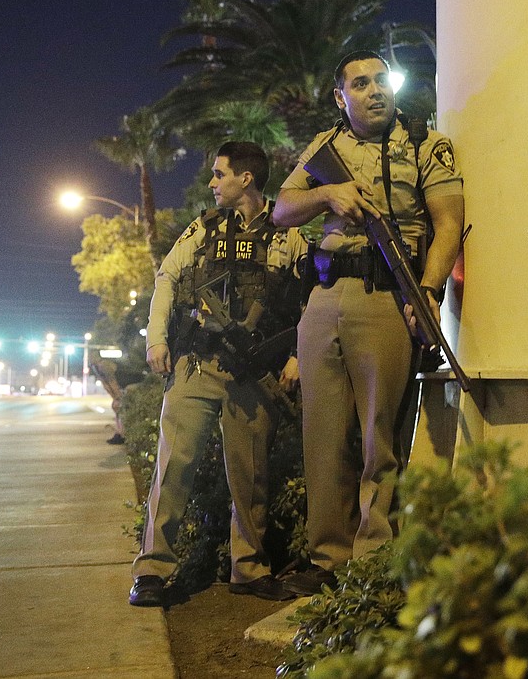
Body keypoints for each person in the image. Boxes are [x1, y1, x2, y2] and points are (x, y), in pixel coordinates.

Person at [272, 51, 465, 596]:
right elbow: (282, 209)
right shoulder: (326, 148)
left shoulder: (428, 144)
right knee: (324, 437)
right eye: (361, 83)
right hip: (326, 296)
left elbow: (449, 223)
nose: (375, 90)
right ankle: (325, 559)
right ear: (342, 97)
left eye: (383, 80)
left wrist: (425, 290)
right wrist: (326, 193)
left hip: (389, 296)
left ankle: (374, 558)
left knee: (381, 435)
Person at [129, 141, 307, 606]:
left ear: (245, 178)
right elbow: (167, 277)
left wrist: (298, 357)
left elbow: (309, 301)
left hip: (254, 373)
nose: (212, 183)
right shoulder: (203, 229)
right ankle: (151, 571)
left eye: (218, 173)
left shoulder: (287, 232)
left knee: (251, 476)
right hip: (197, 365)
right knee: (173, 467)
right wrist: (157, 339)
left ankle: (248, 568)